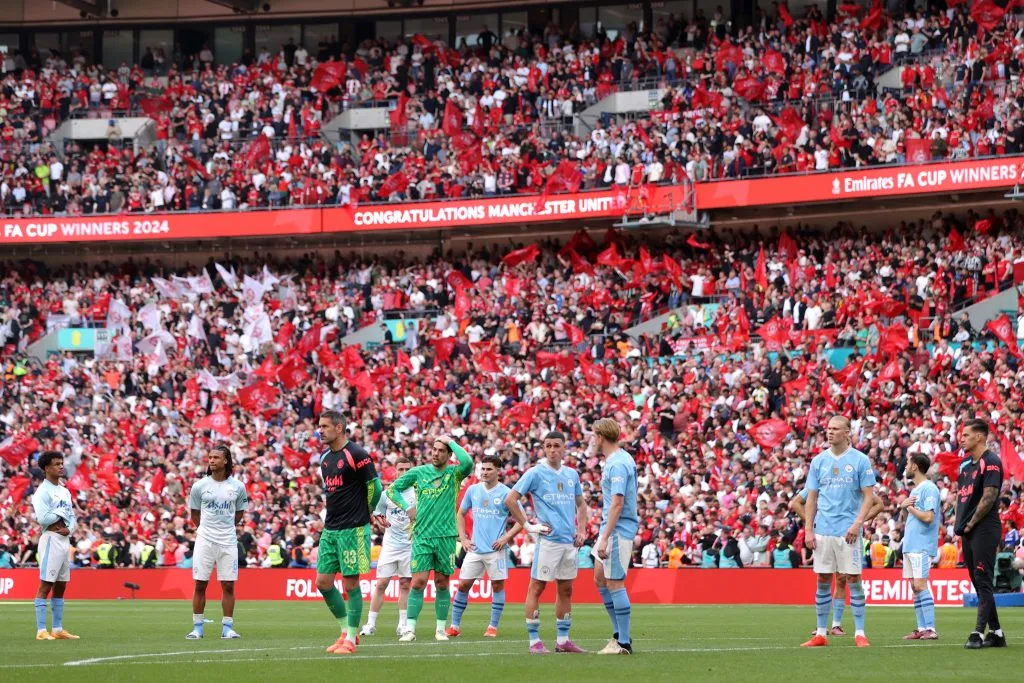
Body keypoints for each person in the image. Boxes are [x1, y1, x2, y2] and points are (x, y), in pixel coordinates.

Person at [506, 431, 588, 654]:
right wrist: (528, 525)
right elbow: (510, 499)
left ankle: (563, 640)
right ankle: (534, 642)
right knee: (537, 586)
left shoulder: (572, 474)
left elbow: (581, 505)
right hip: (548, 540)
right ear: (544, 448)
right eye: (548, 446)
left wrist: (581, 530)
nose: (552, 450)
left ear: (564, 448)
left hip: (569, 542)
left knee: (566, 590)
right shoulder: (535, 473)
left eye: (556, 446)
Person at [387, 433, 473, 642]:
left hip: (446, 536)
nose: (435, 453)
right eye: (434, 449)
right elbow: (392, 490)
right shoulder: (418, 472)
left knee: (442, 583)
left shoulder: (455, 473)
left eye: (441, 450)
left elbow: (468, 462)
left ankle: (440, 629)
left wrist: (449, 440)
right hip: (422, 535)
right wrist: (407, 507)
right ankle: (409, 629)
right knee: (418, 582)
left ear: (449, 454)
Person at [802, 415, 875, 648]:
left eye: (835, 429)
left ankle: (860, 633)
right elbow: (811, 498)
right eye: (828, 428)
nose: (830, 432)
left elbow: (869, 497)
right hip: (823, 531)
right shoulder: (818, 461)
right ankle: (821, 633)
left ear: (847, 432)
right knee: (823, 579)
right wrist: (808, 529)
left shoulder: (860, 460)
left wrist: (857, 523)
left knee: (853, 579)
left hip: (849, 532)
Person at [315, 409, 383, 655]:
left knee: (351, 584)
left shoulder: (357, 454)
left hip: (353, 529)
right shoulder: (324, 459)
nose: (319, 430)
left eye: (324, 426)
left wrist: (368, 512)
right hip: (331, 529)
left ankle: (352, 639)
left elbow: (375, 487)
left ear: (340, 428)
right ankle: (345, 631)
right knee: (323, 583)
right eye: (319, 426)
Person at [791, 486, 883, 635]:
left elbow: (879, 504)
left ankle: (836, 625)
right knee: (824, 579)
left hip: (847, 535)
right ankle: (821, 627)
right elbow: (795, 503)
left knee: (843, 579)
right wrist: (814, 523)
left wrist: (858, 521)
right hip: (824, 534)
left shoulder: (852, 479)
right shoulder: (821, 479)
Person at [448, 454, 522, 638]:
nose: (485, 472)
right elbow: (460, 514)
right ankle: (454, 626)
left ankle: (492, 627)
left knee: (497, 586)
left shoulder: (507, 494)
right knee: (463, 585)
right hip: (474, 549)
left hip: (496, 550)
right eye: (483, 468)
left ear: (498, 471)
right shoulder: (473, 490)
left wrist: (506, 538)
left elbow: (522, 521)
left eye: (489, 469)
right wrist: (463, 539)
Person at [186, 445, 248, 640]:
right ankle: (198, 627)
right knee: (200, 584)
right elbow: (194, 513)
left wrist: (225, 528)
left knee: (228, 585)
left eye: (216, 457)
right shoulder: (199, 486)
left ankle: (227, 628)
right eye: (210, 457)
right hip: (205, 539)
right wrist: (205, 530)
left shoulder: (237, 487)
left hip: (228, 540)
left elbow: (239, 513)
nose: (211, 460)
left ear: (226, 461)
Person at [956, 419, 1007, 649]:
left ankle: (977, 632)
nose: (962, 438)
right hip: (967, 529)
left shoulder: (992, 461)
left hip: (985, 528)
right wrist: (960, 524)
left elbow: (989, 497)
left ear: (979, 437)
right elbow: (963, 497)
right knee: (977, 581)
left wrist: (971, 523)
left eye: (966, 435)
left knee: (983, 578)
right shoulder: (965, 465)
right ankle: (996, 632)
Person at [591, 418, 639, 655]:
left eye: (593, 435)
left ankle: (624, 642)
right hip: (609, 528)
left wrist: (605, 537)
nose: (592, 439)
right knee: (599, 578)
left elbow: (618, 503)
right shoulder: (614, 460)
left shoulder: (618, 463)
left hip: (618, 529)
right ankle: (618, 635)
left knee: (614, 582)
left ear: (600, 436)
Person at [361, 457, 415, 637]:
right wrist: (380, 521)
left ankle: (402, 624)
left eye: (408, 469)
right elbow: (378, 514)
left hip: (410, 546)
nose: (404, 473)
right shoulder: (388, 493)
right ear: (395, 470)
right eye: (401, 469)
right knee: (381, 583)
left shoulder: (418, 493)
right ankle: (370, 624)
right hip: (391, 545)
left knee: (405, 584)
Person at [31, 451, 79, 640]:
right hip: (50, 538)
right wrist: (60, 513)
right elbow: (43, 519)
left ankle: (57, 629)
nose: (61, 466)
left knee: (61, 585)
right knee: (46, 584)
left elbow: (72, 516)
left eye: (61, 463)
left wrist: (70, 528)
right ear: (46, 468)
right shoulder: (42, 492)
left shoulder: (64, 490)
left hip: (64, 538)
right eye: (56, 464)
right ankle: (41, 630)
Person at [900, 453, 941, 640]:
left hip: (922, 545)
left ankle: (931, 629)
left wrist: (909, 508)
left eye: (908, 463)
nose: (906, 467)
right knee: (914, 587)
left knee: (920, 585)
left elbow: (928, 517)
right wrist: (904, 508)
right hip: (910, 544)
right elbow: (911, 517)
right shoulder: (914, 491)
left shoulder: (929, 489)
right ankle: (921, 627)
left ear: (915, 466)